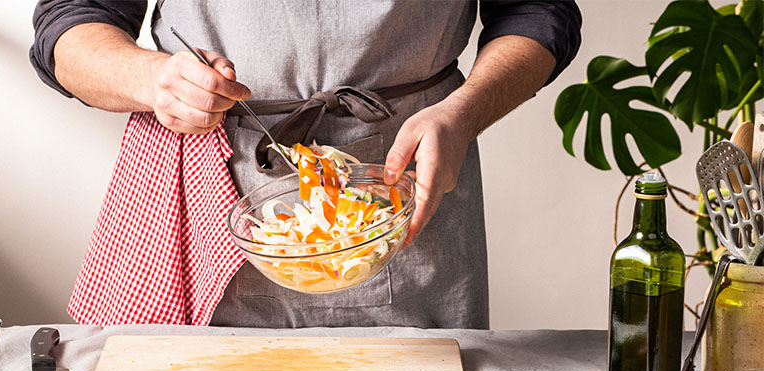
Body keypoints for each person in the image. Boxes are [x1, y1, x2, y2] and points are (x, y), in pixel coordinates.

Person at [30, 1, 581, 329]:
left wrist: (463, 112)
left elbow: (538, 10)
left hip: (408, 176)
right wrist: (152, 79)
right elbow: (71, 22)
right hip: (209, 178)